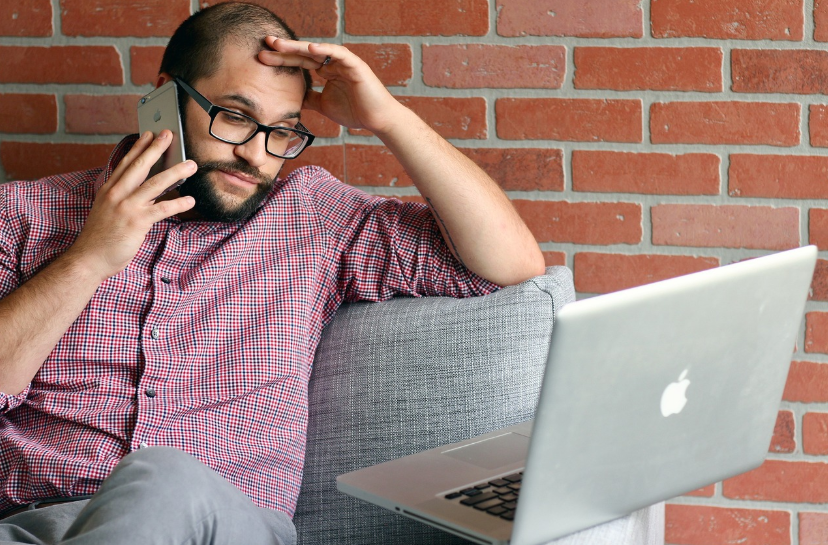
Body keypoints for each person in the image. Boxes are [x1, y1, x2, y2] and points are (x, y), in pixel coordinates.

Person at [0, 2, 544, 544]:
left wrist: (388, 118)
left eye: (282, 131)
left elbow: (509, 264)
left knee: (161, 478)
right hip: (30, 527)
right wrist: (90, 258)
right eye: (235, 117)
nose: (257, 156)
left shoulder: (312, 219)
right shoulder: (23, 214)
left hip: (223, 527)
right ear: (166, 97)